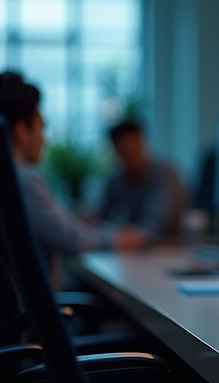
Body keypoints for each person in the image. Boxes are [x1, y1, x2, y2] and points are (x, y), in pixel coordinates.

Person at [0, 71, 147, 286]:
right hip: (44, 313)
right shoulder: (24, 181)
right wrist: (119, 238)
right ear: (22, 132)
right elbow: (72, 238)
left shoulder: (11, 179)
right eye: (41, 129)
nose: (44, 139)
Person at [99, 120, 185, 242]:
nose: (133, 152)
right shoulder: (116, 179)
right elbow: (98, 214)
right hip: (139, 253)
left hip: (172, 248)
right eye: (126, 147)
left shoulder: (165, 175)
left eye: (136, 144)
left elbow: (158, 223)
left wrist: (130, 236)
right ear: (116, 151)